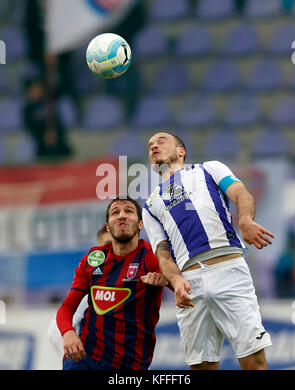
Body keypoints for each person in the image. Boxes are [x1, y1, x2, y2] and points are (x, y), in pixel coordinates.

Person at [142, 132, 274, 370]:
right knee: (201, 367)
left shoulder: (210, 169)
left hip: (229, 271)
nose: (153, 146)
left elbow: (240, 193)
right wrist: (176, 279)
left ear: (181, 151)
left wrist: (244, 219)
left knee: (253, 361)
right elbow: (162, 253)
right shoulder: (151, 204)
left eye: (160, 141)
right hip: (190, 283)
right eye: (150, 145)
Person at [56, 198, 168, 370]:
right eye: (115, 212)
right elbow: (66, 308)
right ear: (108, 227)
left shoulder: (152, 258)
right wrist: (68, 333)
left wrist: (167, 280)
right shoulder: (93, 259)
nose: (121, 216)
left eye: (129, 211)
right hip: (86, 359)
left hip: (130, 363)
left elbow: (184, 288)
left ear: (140, 225)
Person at [47, 224, 112, 358]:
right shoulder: (93, 288)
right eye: (107, 244)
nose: (111, 249)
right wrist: (72, 360)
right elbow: (54, 330)